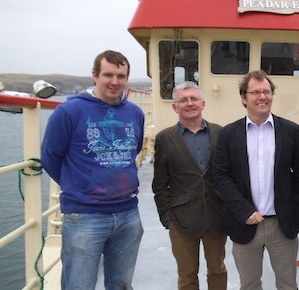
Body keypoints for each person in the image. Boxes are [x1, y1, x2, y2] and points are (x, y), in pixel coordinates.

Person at [41, 50, 144, 289]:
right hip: (85, 216)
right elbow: (50, 157)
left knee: (121, 284)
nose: (115, 82)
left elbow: (133, 150)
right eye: (108, 74)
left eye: (121, 75)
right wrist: (81, 186)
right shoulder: (69, 112)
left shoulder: (135, 113)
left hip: (128, 213)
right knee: (79, 285)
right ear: (95, 75)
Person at [213, 70, 299, 290]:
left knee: (287, 284)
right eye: (255, 92)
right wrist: (243, 210)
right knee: (250, 285)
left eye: (266, 91)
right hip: (244, 223)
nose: (262, 97)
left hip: (281, 225)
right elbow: (221, 175)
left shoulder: (290, 131)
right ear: (244, 98)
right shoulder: (228, 134)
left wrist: (293, 209)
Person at [152, 81, 227, 290]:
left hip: (216, 216)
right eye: (183, 100)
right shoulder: (165, 139)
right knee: (187, 275)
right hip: (181, 220)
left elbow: (228, 175)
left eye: (194, 99)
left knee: (218, 269)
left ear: (203, 103)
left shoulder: (220, 133)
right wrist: (167, 219)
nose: (189, 103)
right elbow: (160, 183)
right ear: (175, 107)